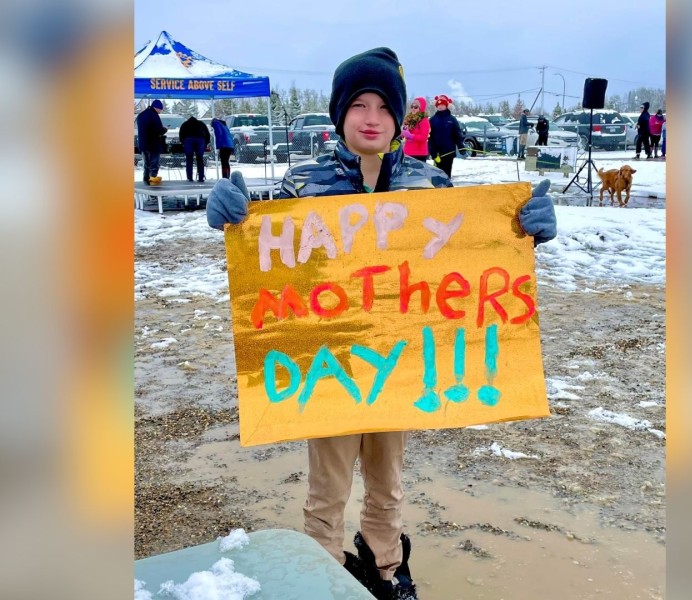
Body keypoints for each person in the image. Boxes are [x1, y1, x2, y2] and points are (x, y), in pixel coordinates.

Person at [206, 46, 556, 600]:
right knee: (327, 487)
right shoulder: (303, 185)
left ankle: (387, 567)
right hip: (329, 367)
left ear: (398, 119)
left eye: (384, 108)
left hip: (401, 366)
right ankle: (322, 572)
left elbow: (473, 252)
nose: (372, 118)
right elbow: (267, 258)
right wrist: (231, 215)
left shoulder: (428, 185)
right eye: (359, 105)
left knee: (388, 482)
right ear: (339, 114)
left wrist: (525, 231)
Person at [428, 94, 466, 177]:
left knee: (447, 174)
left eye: (442, 105)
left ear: (446, 106)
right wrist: (433, 153)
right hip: (437, 153)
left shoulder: (452, 119)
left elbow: (457, 135)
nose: (440, 107)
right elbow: (429, 138)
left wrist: (461, 147)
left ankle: (447, 189)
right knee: (438, 175)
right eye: (438, 105)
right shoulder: (432, 120)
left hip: (449, 152)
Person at [136, 99, 167, 185]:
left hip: (143, 145)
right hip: (153, 145)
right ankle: (152, 188)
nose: (160, 111)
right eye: (160, 109)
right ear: (157, 107)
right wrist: (164, 129)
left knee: (146, 165)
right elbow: (158, 130)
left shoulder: (141, 115)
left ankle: (145, 184)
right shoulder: (154, 115)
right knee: (154, 166)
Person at [179, 116, 211, 182]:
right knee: (200, 159)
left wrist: (183, 142)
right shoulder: (201, 124)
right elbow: (207, 134)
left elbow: (181, 134)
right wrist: (205, 143)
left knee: (189, 159)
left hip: (188, 140)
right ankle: (201, 177)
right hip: (200, 140)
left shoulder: (185, 124)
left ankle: (189, 177)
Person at [400, 97, 430, 162]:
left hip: (419, 154)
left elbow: (423, 137)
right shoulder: (409, 119)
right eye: (412, 106)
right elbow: (405, 132)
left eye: (416, 107)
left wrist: (411, 136)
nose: (413, 108)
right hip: (407, 152)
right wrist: (402, 134)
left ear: (421, 108)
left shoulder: (424, 120)